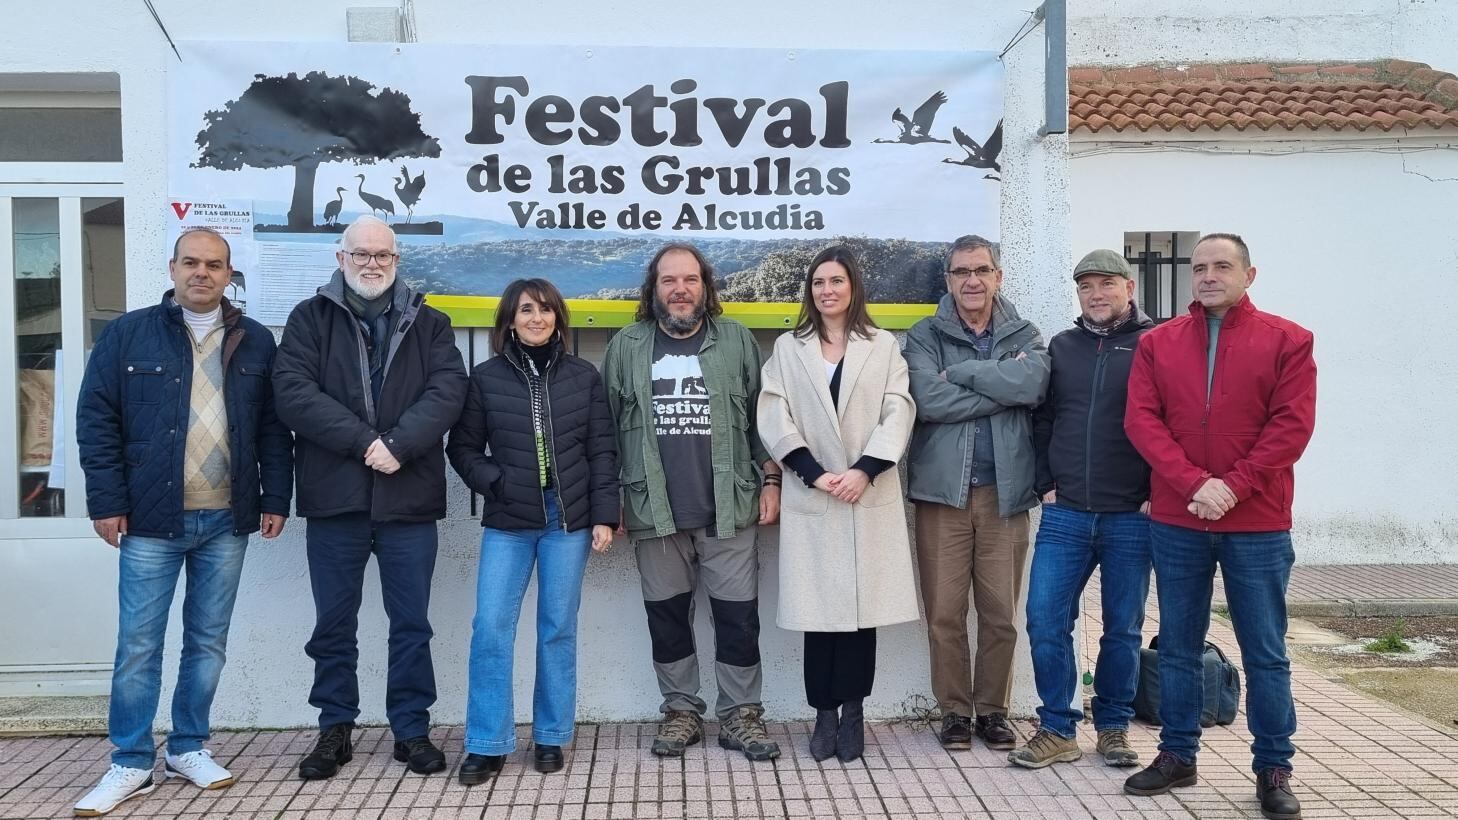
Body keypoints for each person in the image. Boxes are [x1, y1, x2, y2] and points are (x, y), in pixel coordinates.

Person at [73, 228, 293, 816]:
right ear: (172, 268)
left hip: (227, 516)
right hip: (149, 519)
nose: (202, 273)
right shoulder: (129, 333)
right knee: (139, 644)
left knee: (207, 642)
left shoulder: (256, 341)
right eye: (191, 262)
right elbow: (96, 420)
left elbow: (274, 428)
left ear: (229, 274)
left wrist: (276, 498)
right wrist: (106, 501)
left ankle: (189, 746)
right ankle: (130, 761)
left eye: (214, 265)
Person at [1121, 233, 1316, 820]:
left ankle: (1274, 766)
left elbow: (1291, 428)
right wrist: (1192, 484)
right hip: (1181, 518)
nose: (1208, 276)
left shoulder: (1288, 341)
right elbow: (1142, 421)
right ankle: (1178, 754)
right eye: (1199, 267)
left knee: (1265, 651)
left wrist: (1231, 485)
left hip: (1256, 520)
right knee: (1178, 645)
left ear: (1249, 274)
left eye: (1222, 266)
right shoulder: (1158, 344)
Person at [272, 215, 467, 780]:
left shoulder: (431, 323)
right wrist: (366, 444)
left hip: (408, 501)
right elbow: (293, 393)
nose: (372, 263)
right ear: (341, 259)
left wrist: (400, 445)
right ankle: (335, 729)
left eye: (383, 254)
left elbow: (448, 391)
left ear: (397, 261)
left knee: (412, 623)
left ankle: (411, 728)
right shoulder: (309, 319)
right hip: (337, 501)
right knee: (334, 624)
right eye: (361, 254)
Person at [601, 243, 783, 761]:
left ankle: (741, 716)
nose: (680, 290)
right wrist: (607, 499)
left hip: (729, 507)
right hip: (651, 510)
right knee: (667, 617)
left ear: (706, 286)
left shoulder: (736, 342)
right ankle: (681, 711)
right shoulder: (626, 347)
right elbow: (607, 432)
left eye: (690, 280)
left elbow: (759, 421)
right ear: (653, 289)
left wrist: (771, 482)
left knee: (737, 618)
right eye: (668, 281)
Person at [446, 279, 618, 783]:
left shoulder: (584, 377)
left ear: (558, 318)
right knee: (491, 629)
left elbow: (602, 451)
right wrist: (495, 481)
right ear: (510, 319)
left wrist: (604, 514)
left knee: (557, 630)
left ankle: (549, 737)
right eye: (526, 310)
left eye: (545, 310)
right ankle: (487, 742)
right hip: (509, 521)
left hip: (568, 521)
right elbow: (463, 450)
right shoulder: (485, 378)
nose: (537, 318)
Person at [756, 246, 918, 763]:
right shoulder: (788, 348)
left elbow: (899, 410)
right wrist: (811, 472)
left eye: (837, 281)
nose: (827, 290)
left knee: (859, 616)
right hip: (813, 493)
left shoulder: (883, 346)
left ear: (854, 288)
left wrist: (864, 470)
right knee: (817, 614)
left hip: (865, 494)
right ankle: (822, 714)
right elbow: (773, 413)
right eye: (819, 282)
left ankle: (853, 713)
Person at [1008, 249, 1154, 771]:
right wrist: (1046, 484)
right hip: (1065, 513)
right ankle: (1057, 727)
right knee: (1045, 618)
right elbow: (1043, 420)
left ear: (1129, 287)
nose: (1096, 293)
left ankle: (1113, 727)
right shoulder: (1063, 348)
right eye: (1086, 285)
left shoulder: (1154, 345)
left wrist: (1156, 489)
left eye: (1106, 284)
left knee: (1123, 627)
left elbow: (1172, 422)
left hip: (1132, 516)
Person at [903, 234, 1050, 752]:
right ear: (948, 279)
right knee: (944, 613)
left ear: (997, 276)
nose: (972, 280)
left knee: (999, 615)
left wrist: (965, 374)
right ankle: (954, 714)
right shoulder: (923, 335)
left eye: (981, 270)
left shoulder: (1023, 332)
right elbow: (929, 399)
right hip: (943, 497)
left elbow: (1032, 387)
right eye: (962, 271)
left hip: (1005, 496)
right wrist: (998, 391)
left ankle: (992, 711)